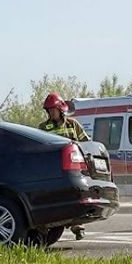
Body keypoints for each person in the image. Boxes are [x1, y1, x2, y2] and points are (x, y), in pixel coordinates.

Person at [38, 93, 90, 239]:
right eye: (48, 110)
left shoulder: (72, 125)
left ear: (60, 109)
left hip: (72, 169)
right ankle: (45, 228)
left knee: (74, 196)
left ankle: (77, 226)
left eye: (53, 109)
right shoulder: (43, 127)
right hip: (53, 170)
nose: (50, 113)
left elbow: (86, 143)